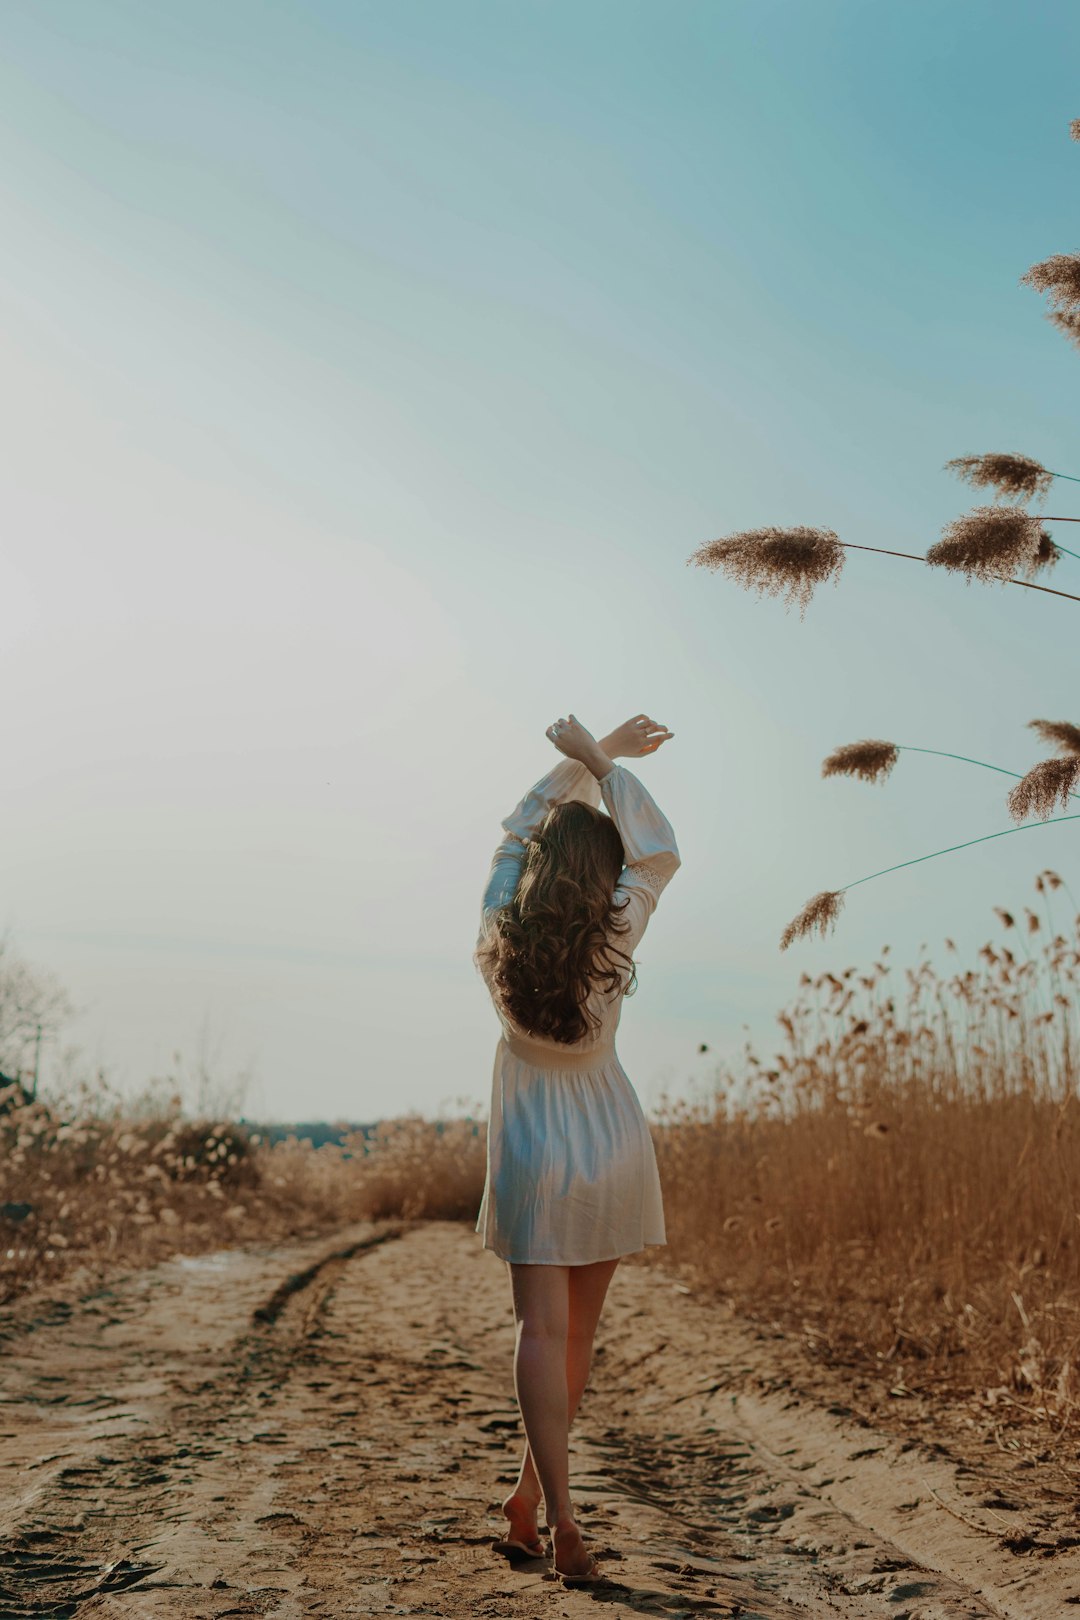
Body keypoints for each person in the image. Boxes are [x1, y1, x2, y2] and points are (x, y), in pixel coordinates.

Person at [472, 711, 680, 1587]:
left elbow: (513, 836)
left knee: (538, 1330)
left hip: (529, 1143)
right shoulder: (616, 932)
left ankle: (553, 1512)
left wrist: (571, 772)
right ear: (601, 878)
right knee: (578, 1333)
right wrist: (603, 762)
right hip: (608, 1140)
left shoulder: (496, 937)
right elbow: (659, 852)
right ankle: (534, 1505)